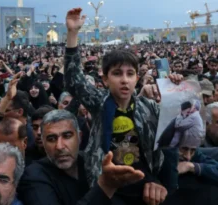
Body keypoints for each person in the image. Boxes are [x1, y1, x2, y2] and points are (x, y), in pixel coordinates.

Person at [63, 8, 182, 204]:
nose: (124, 80)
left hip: (145, 189)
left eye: (130, 74)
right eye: (117, 73)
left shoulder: (148, 108)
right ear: (105, 79)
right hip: (109, 192)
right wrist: (73, 33)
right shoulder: (99, 103)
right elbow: (74, 81)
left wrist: (176, 91)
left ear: (137, 77)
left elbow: (174, 137)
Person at [17, 109, 145, 205]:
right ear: (43, 143)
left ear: (79, 137)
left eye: (67, 136)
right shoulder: (34, 176)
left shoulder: (93, 161)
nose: (60, 146)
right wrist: (105, 186)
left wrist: (151, 184)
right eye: (51, 139)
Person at [163, 134, 218, 205]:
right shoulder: (157, 156)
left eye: (192, 151)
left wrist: (193, 167)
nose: (188, 157)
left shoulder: (196, 155)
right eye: (183, 149)